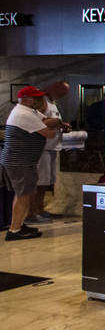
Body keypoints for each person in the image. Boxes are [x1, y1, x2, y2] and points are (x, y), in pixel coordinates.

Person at [2, 87, 64, 241]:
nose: (40, 101)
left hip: (21, 161)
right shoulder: (23, 113)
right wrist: (57, 126)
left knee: (23, 194)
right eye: (36, 98)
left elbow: (45, 120)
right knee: (22, 196)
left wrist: (55, 122)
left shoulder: (30, 112)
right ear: (25, 100)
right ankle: (15, 230)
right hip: (19, 162)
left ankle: (18, 225)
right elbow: (49, 134)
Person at [29, 80, 70, 224]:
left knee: (46, 182)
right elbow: (37, 122)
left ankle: (40, 209)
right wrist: (57, 123)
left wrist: (62, 126)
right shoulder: (41, 102)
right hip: (42, 148)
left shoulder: (53, 103)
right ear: (54, 88)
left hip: (52, 147)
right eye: (61, 92)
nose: (62, 95)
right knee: (38, 182)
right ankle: (32, 212)